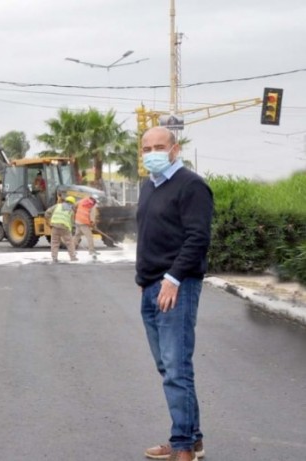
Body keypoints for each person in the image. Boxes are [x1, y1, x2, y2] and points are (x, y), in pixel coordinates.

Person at [137, 126, 213, 461]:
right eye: (146, 148)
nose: (152, 153)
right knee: (169, 368)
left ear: (175, 149)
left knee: (176, 368)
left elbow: (198, 238)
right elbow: (150, 234)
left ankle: (182, 447)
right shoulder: (148, 186)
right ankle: (192, 440)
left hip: (176, 287)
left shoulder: (191, 185)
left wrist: (173, 278)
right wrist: (144, 279)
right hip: (151, 286)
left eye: (159, 146)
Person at [44, 195, 78, 263]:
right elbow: (72, 223)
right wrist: (72, 231)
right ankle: (73, 257)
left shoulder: (57, 206)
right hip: (65, 228)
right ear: (72, 203)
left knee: (54, 243)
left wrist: (48, 222)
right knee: (69, 243)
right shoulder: (71, 211)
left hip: (55, 226)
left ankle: (54, 258)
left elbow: (47, 212)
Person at [73, 195, 100, 260]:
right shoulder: (92, 205)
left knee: (77, 236)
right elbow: (92, 215)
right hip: (83, 222)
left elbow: (74, 206)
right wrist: (92, 223)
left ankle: (72, 250)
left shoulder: (82, 201)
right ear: (94, 200)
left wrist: (76, 212)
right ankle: (92, 251)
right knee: (89, 237)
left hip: (77, 220)